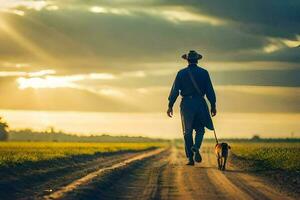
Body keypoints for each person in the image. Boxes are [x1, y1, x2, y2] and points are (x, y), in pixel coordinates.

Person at [167, 50, 217, 166]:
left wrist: (170, 105)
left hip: (187, 105)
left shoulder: (181, 73)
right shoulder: (204, 73)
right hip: (200, 103)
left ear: (187, 60)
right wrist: (213, 105)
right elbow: (210, 90)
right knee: (200, 130)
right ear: (197, 60)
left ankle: (190, 158)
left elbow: (175, 91)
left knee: (187, 132)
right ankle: (196, 147)